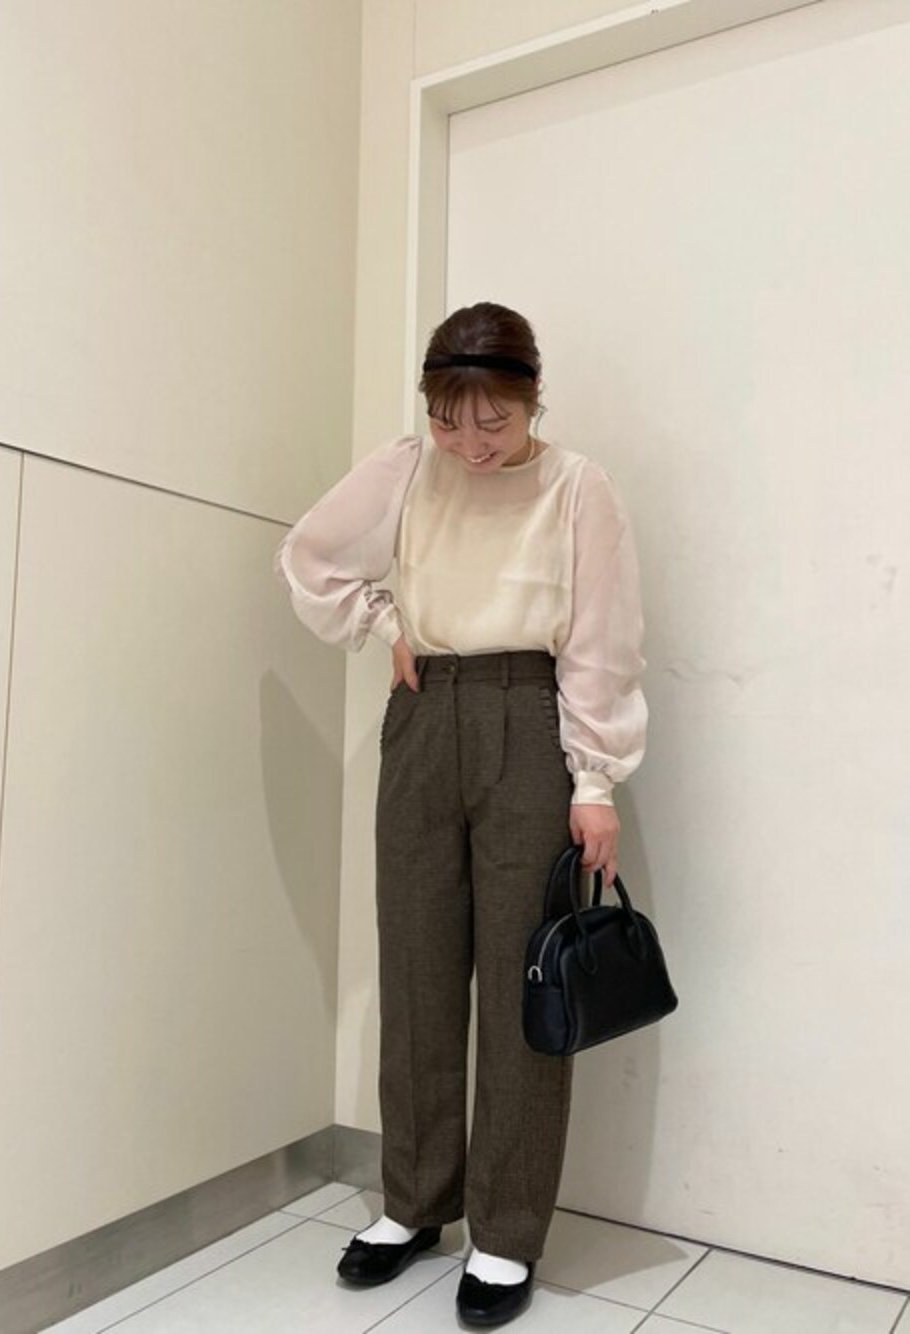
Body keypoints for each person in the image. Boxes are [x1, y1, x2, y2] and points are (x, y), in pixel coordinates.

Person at [272, 301, 648, 1327]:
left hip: (532, 716)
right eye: (449, 420)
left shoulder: (577, 486)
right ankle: (414, 1202)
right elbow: (310, 555)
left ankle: (506, 1230)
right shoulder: (408, 467)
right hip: (423, 711)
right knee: (416, 968)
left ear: (533, 401)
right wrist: (383, 618)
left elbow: (603, 637)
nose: (471, 444)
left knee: (525, 982)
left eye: (494, 421)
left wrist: (594, 781)